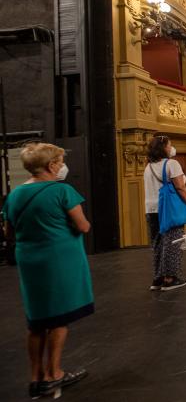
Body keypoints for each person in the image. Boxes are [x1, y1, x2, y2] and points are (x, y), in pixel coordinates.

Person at [2, 143, 92, 398]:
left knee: (37, 321)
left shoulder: (15, 195)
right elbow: (83, 226)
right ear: (51, 166)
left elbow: (9, 234)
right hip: (59, 259)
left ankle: (35, 377)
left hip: (30, 261)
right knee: (59, 318)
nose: (62, 166)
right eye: (60, 161)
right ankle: (54, 374)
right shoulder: (62, 191)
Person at [143, 135, 186, 291]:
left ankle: (157, 278)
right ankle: (170, 279)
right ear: (163, 148)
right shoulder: (172, 164)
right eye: (170, 145)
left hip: (151, 210)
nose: (171, 148)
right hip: (168, 209)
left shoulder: (148, 167)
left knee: (157, 243)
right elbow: (180, 187)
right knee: (173, 242)